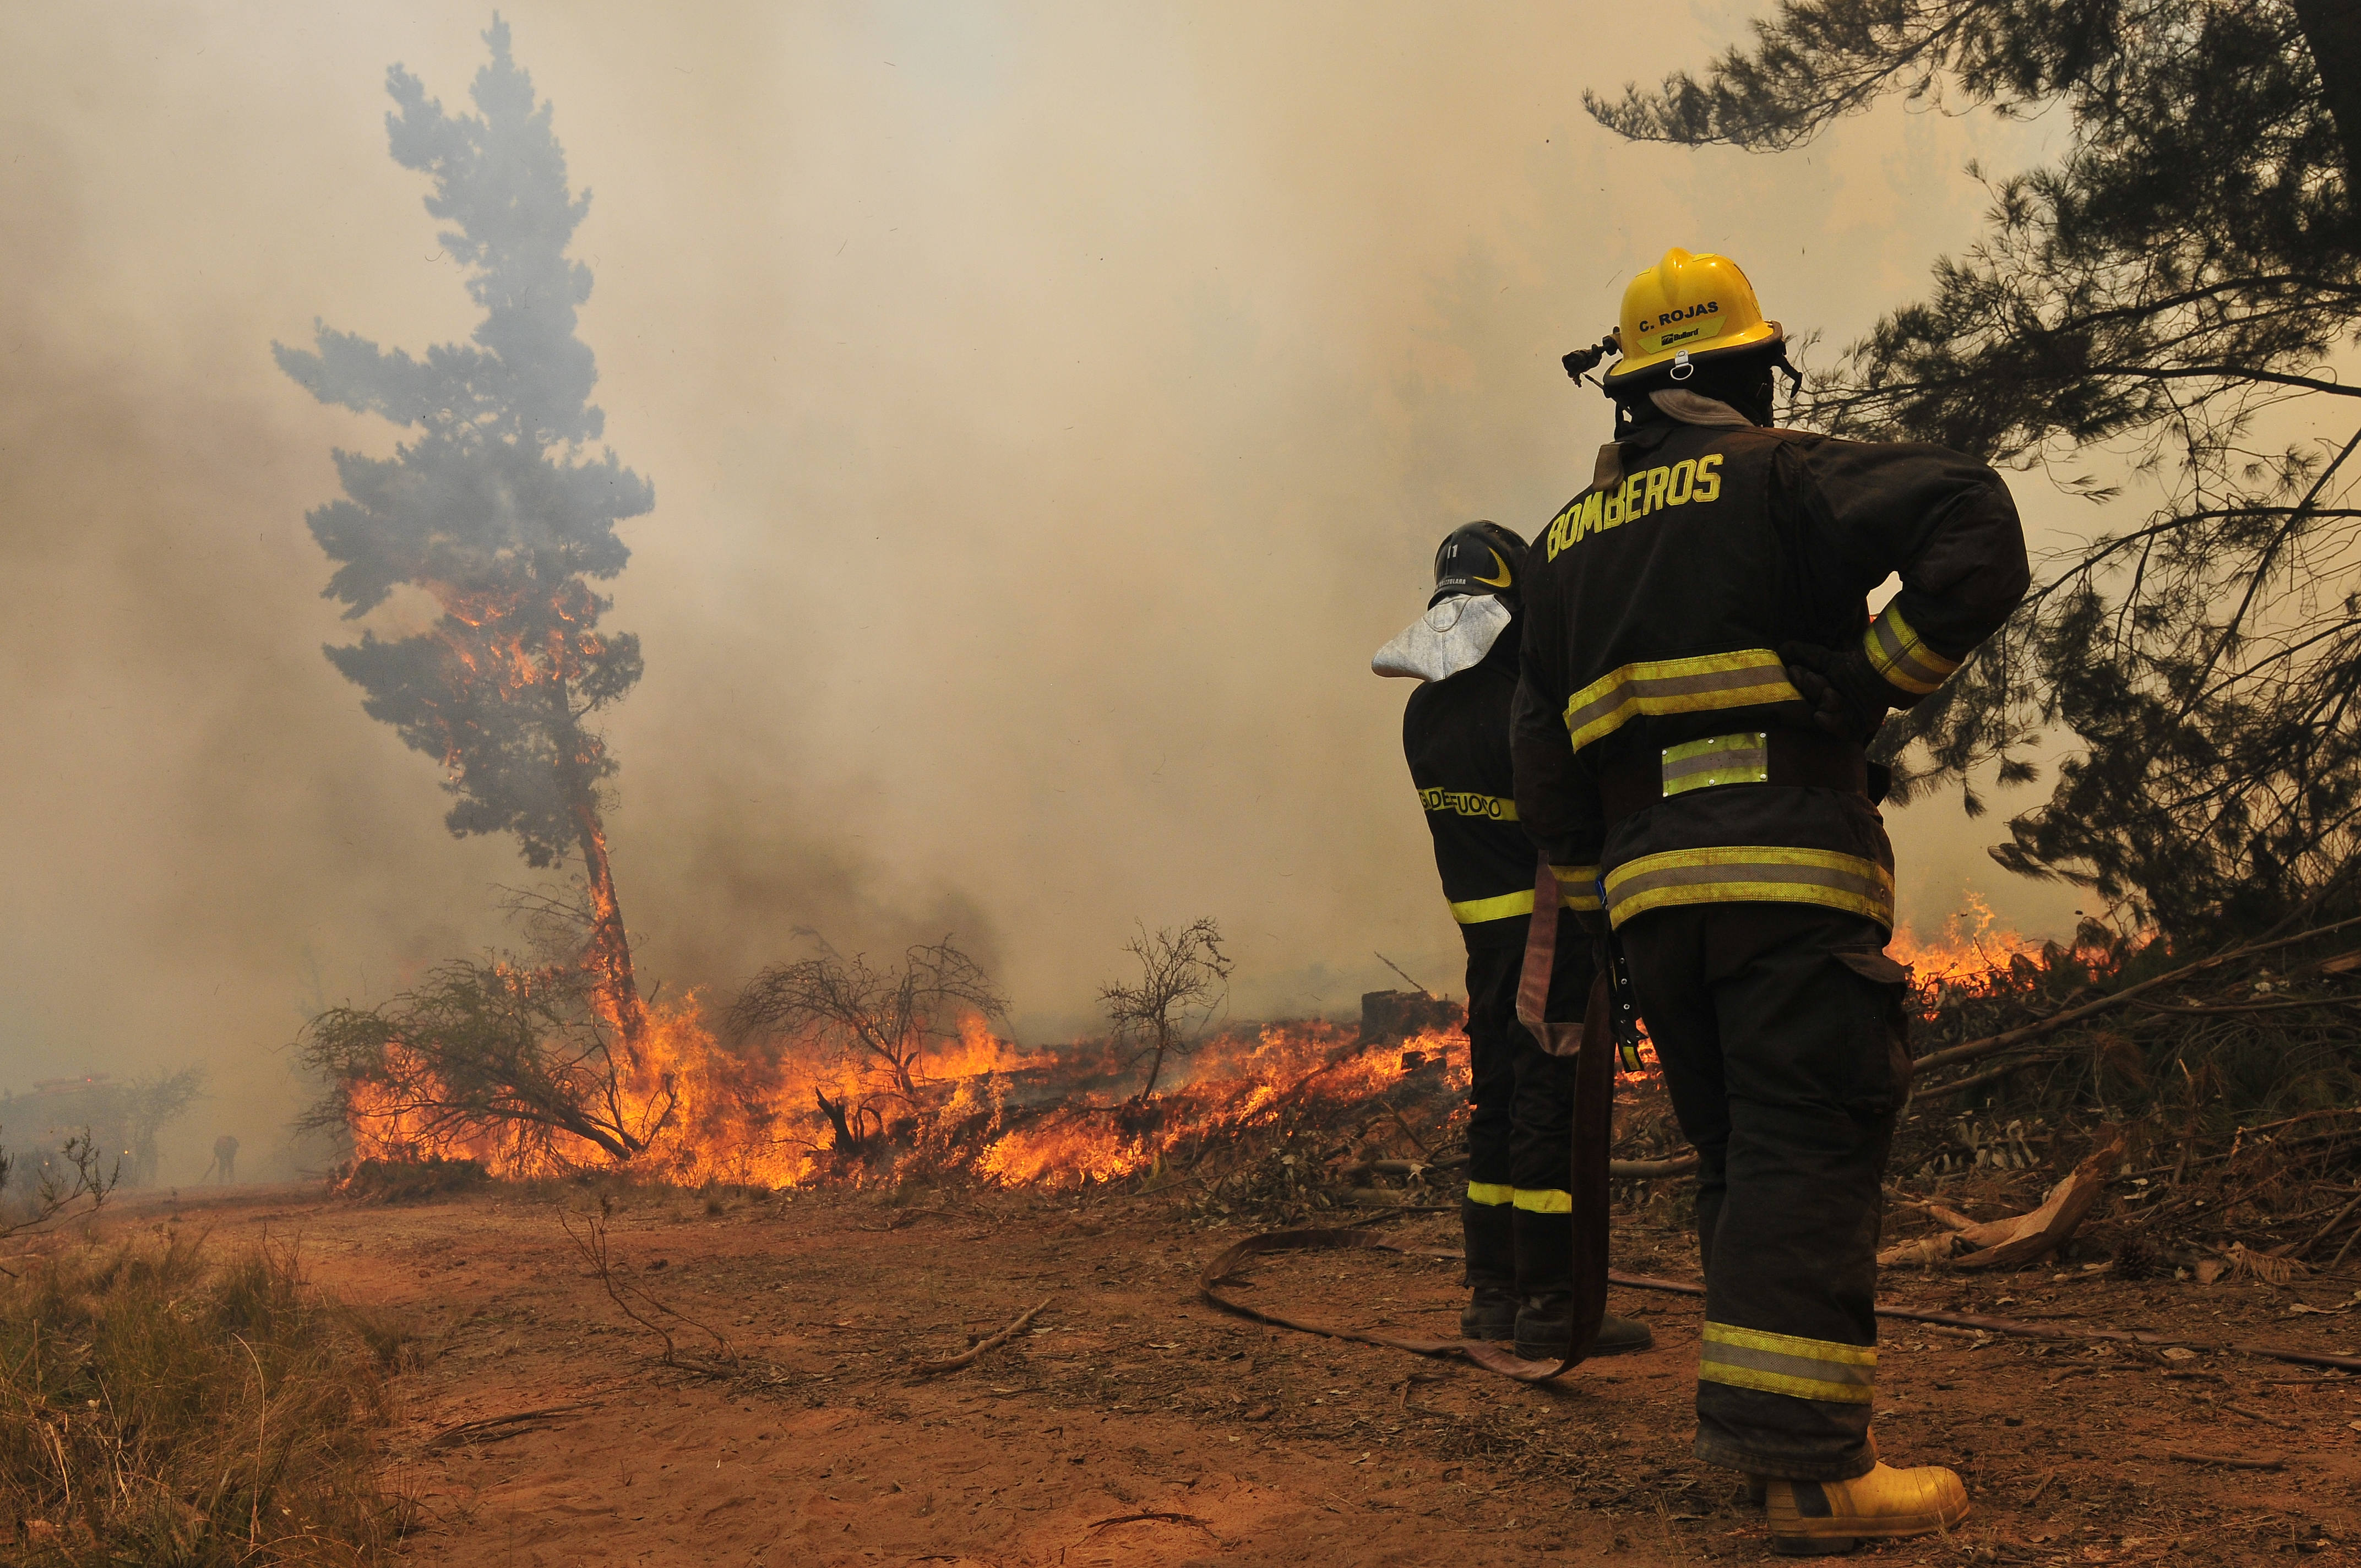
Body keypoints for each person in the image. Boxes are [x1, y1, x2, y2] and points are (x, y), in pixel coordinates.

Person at [1511, 248, 2028, 1552]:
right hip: (1786, 876)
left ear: (1626, 393)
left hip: (1650, 909)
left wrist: (1605, 913)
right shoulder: (1779, 472)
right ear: (1748, 371)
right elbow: (1975, 521)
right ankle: (1810, 1473)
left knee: (1742, 1155)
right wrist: (1872, 677)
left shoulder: (1561, 547)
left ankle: (1763, 1436)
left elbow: (1539, 760)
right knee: (1808, 1143)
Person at [1375, 521, 1652, 1360]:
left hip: (1486, 952)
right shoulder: (1528, 707)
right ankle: (1553, 1306)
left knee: (1495, 1109)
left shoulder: (1424, 715)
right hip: (1551, 937)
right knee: (1551, 1114)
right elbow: (1572, 812)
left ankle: (1492, 1297)